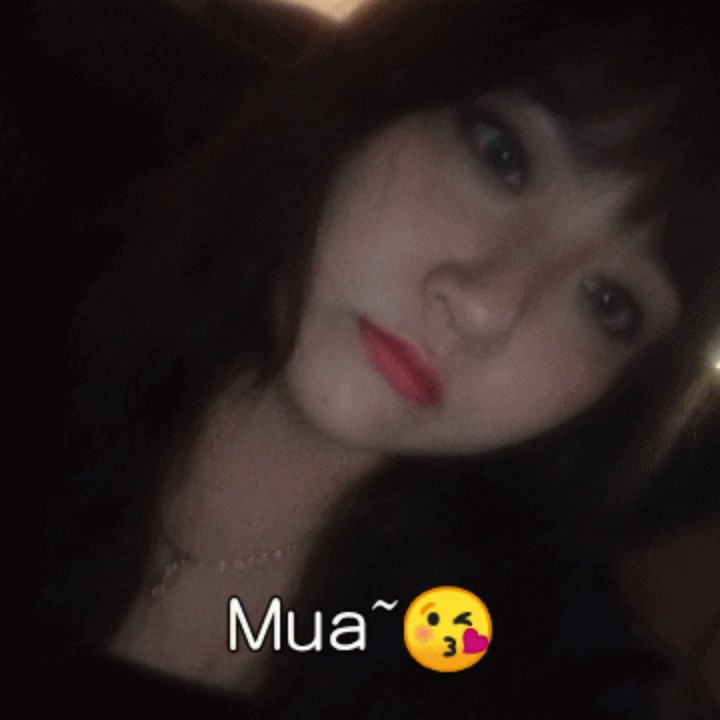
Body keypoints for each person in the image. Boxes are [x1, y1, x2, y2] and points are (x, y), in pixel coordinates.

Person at [55, 1, 719, 717]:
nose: (485, 307)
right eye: (503, 155)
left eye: (608, 303)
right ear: (383, 93)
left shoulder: (514, 664)